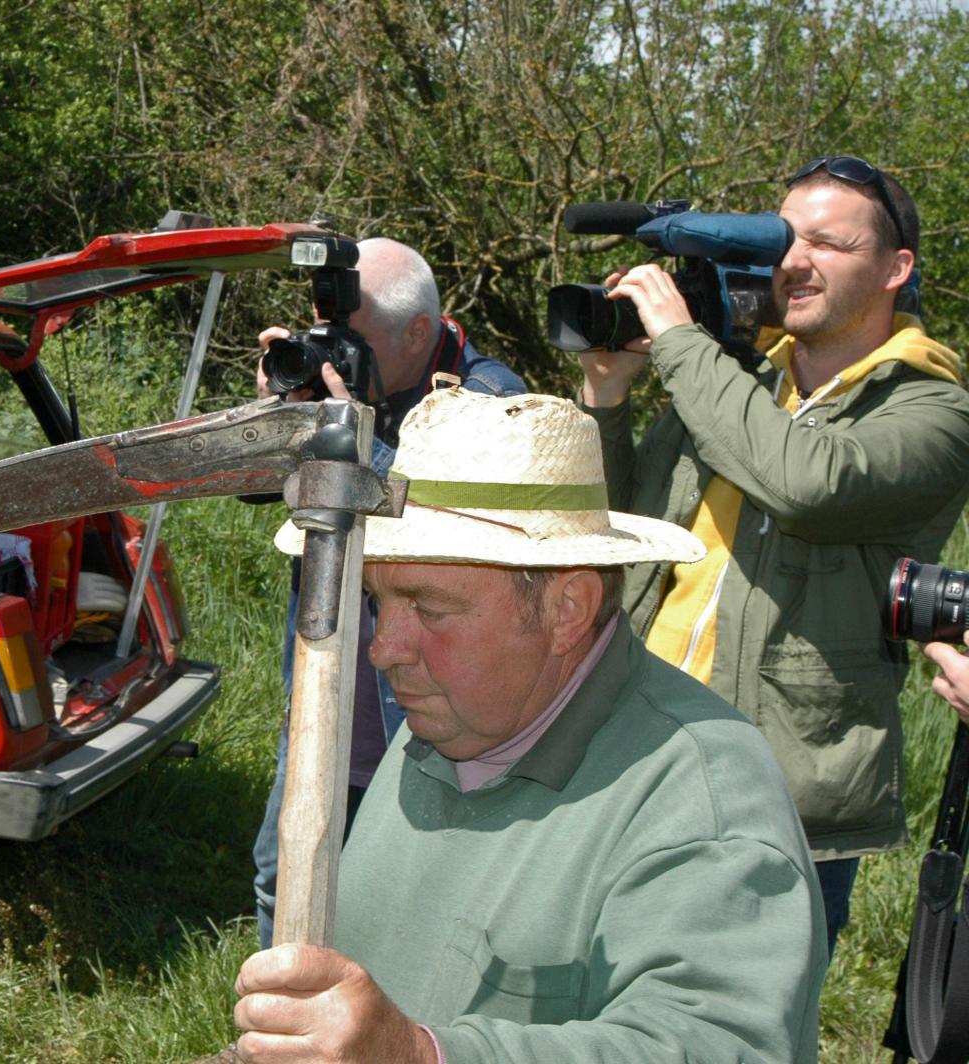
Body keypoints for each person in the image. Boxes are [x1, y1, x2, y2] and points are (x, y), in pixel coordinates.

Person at [232, 387, 825, 1063]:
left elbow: (721, 1045)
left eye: (429, 608)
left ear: (568, 606)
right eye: (377, 599)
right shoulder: (450, 719)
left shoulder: (703, 799)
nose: (382, 648)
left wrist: (419, 1056)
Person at [577, 156, 969, 954]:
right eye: (788, 238)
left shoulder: (933, 408)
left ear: (897, 269)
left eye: (829, 243)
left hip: (780, 787)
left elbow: (807, 483)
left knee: (743, 1026)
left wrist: (683, 343)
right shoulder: (740, 381)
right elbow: (623, 522)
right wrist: (608, 396)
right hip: (639, 749)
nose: (796, 260)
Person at [249, 237, 524, 949]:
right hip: (326, 690)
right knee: (283, 882)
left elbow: (461, 526)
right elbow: (254, 488)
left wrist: (354, 441)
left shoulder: (492, 400)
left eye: (352, 341)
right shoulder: (347, 388)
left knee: (414, 911)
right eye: (326, 338)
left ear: (418, 333)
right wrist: (277, 419)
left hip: (434, 716)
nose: (335, 355)